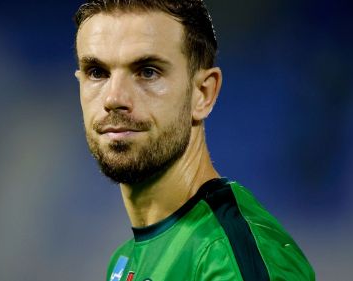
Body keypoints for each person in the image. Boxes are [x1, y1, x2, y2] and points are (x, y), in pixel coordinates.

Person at [73, 1, 315, 280]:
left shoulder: (227, 257)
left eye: (148, 71)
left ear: (203, 93)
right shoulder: (126, 259)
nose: (114, 98)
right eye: (97, 73)